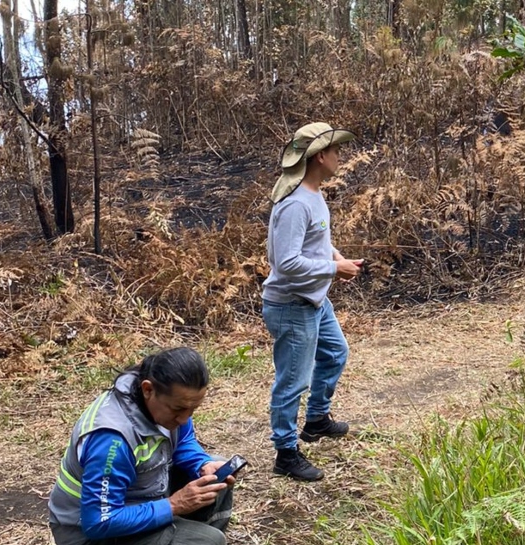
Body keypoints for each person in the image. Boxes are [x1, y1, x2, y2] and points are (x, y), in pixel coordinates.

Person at [48, 347, 235, 545]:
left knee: (215, 474)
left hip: (137, 499)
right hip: (86, 533)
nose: (185, 419)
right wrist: (174, 505)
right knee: (207, 541)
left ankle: (186, 532)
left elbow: (183, 441)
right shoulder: (112, 440)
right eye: (179, 409)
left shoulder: (165, 401)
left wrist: (200, 463)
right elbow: (98, 522)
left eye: (193, 409)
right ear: (148, 390)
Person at [263, 122, 364, 481]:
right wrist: (335, 269)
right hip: (291, 305)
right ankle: (285, 453)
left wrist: (335, 256)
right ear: (320, 156)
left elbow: (314, 243)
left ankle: (317, 420)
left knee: (336, 353)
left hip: (314, 300)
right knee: (292, 381)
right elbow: (285, 262)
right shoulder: (294, 204)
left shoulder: (314, 194)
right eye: (336, 151)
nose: (340, 157)